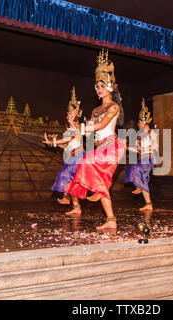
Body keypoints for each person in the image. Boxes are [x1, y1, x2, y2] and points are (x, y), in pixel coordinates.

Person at [65, 49, 125, 231]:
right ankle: (111, 219)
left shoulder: (113, 107)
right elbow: (87, 132)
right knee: (99, 183)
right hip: (101, 148)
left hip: (112, 147)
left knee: (86, 162)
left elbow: (101, 126)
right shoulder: (95, 110)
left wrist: (82, 127)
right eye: (97, 86)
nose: (99, 89)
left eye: (102, 85)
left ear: (111, 87)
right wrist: (72, 121)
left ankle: (100, 192)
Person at [42, 87, 84, 215]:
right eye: (68, 114)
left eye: (70, 114)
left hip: (77, 159)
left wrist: (53, 142)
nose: (68, 116)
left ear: (75, 115)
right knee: (71, 181)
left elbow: (69, 138)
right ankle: (76, 206)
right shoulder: (69, 128)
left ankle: (67, 198)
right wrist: (55, 143)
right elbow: (65, 146)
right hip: (71, 158)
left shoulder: (76, 128)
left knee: (65, 175)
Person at [124, 98, 158, 211]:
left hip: (149, 159)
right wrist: (127, 147)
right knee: (136, 172)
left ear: (144, 122)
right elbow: (137, 150)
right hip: (142, 158)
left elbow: (156, 146)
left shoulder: (151, 132)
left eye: (139, 122)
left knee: (135, 168)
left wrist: (144, 148)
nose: (138, 124)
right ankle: (148, 203)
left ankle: (138, 186)